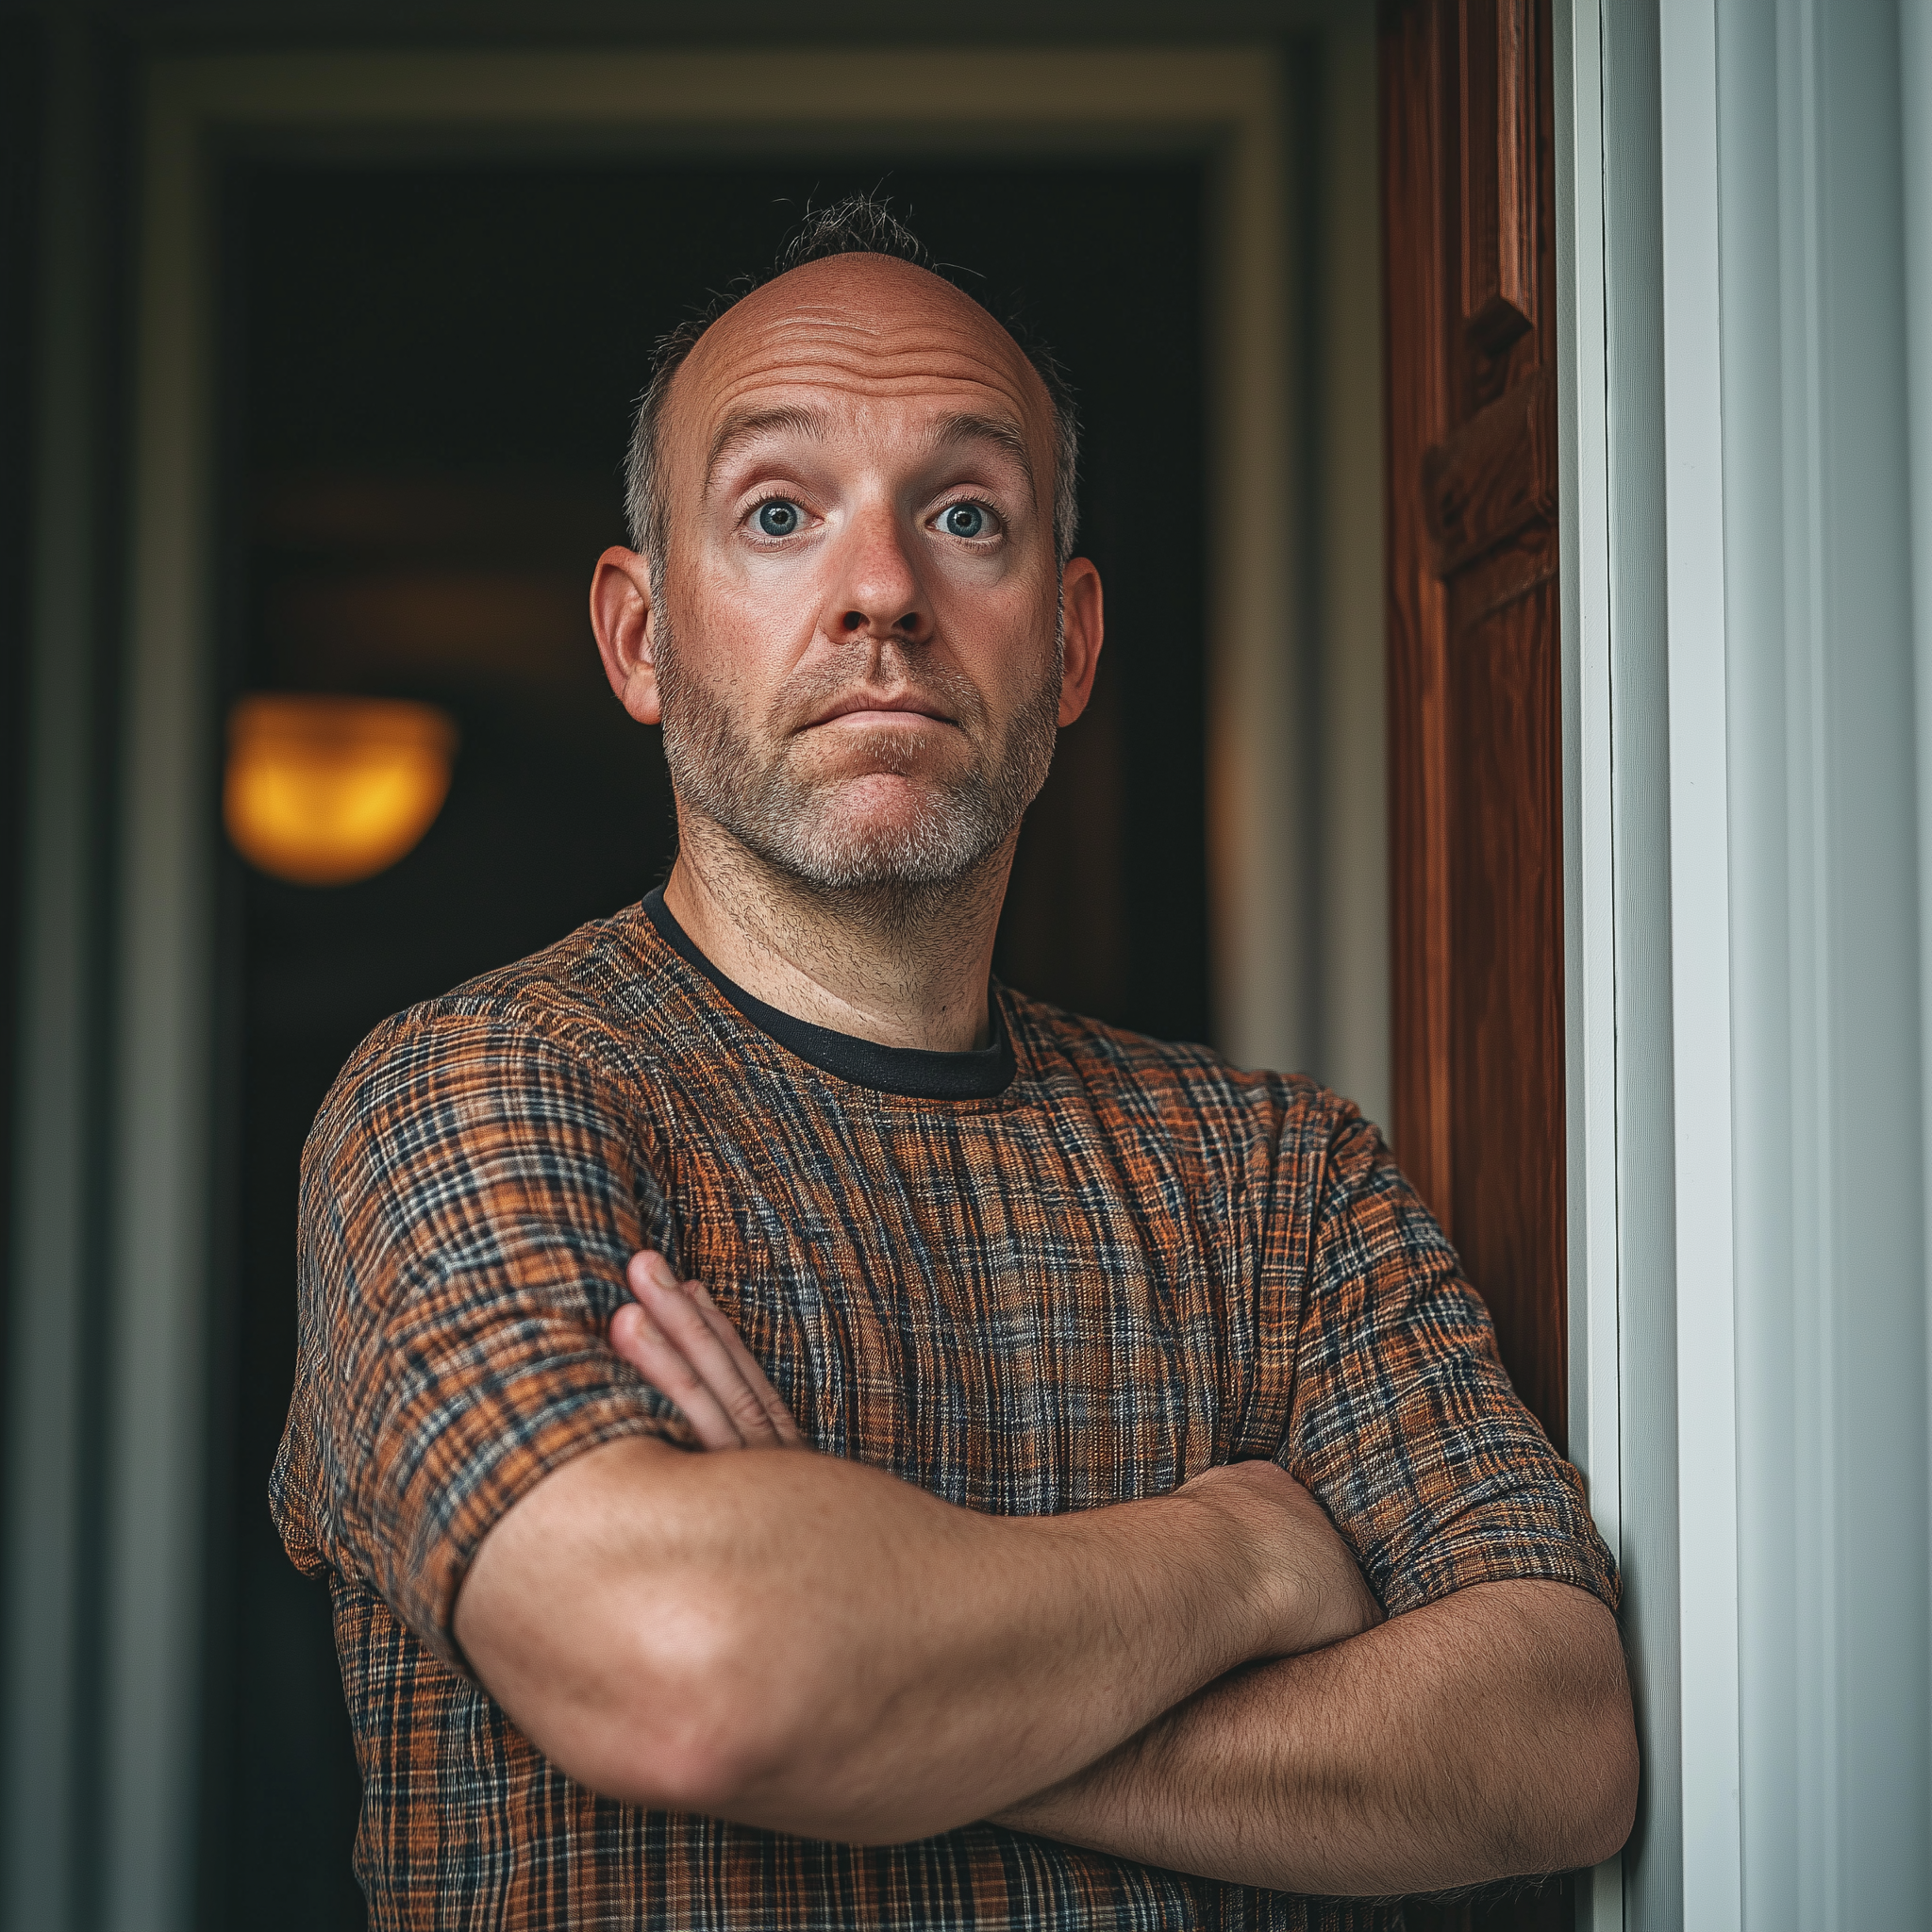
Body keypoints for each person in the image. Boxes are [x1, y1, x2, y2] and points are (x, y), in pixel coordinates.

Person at [273, 197, 1637, 1931]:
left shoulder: (1275, 1176)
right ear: (641, 636)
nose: (881, 596)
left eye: (967, 516)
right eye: (778, 513)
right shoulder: (480, 1097)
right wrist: (1244, 1558)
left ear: (1066, 647)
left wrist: (884, 1693)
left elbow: (1555, 1737)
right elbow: (706, 1679)